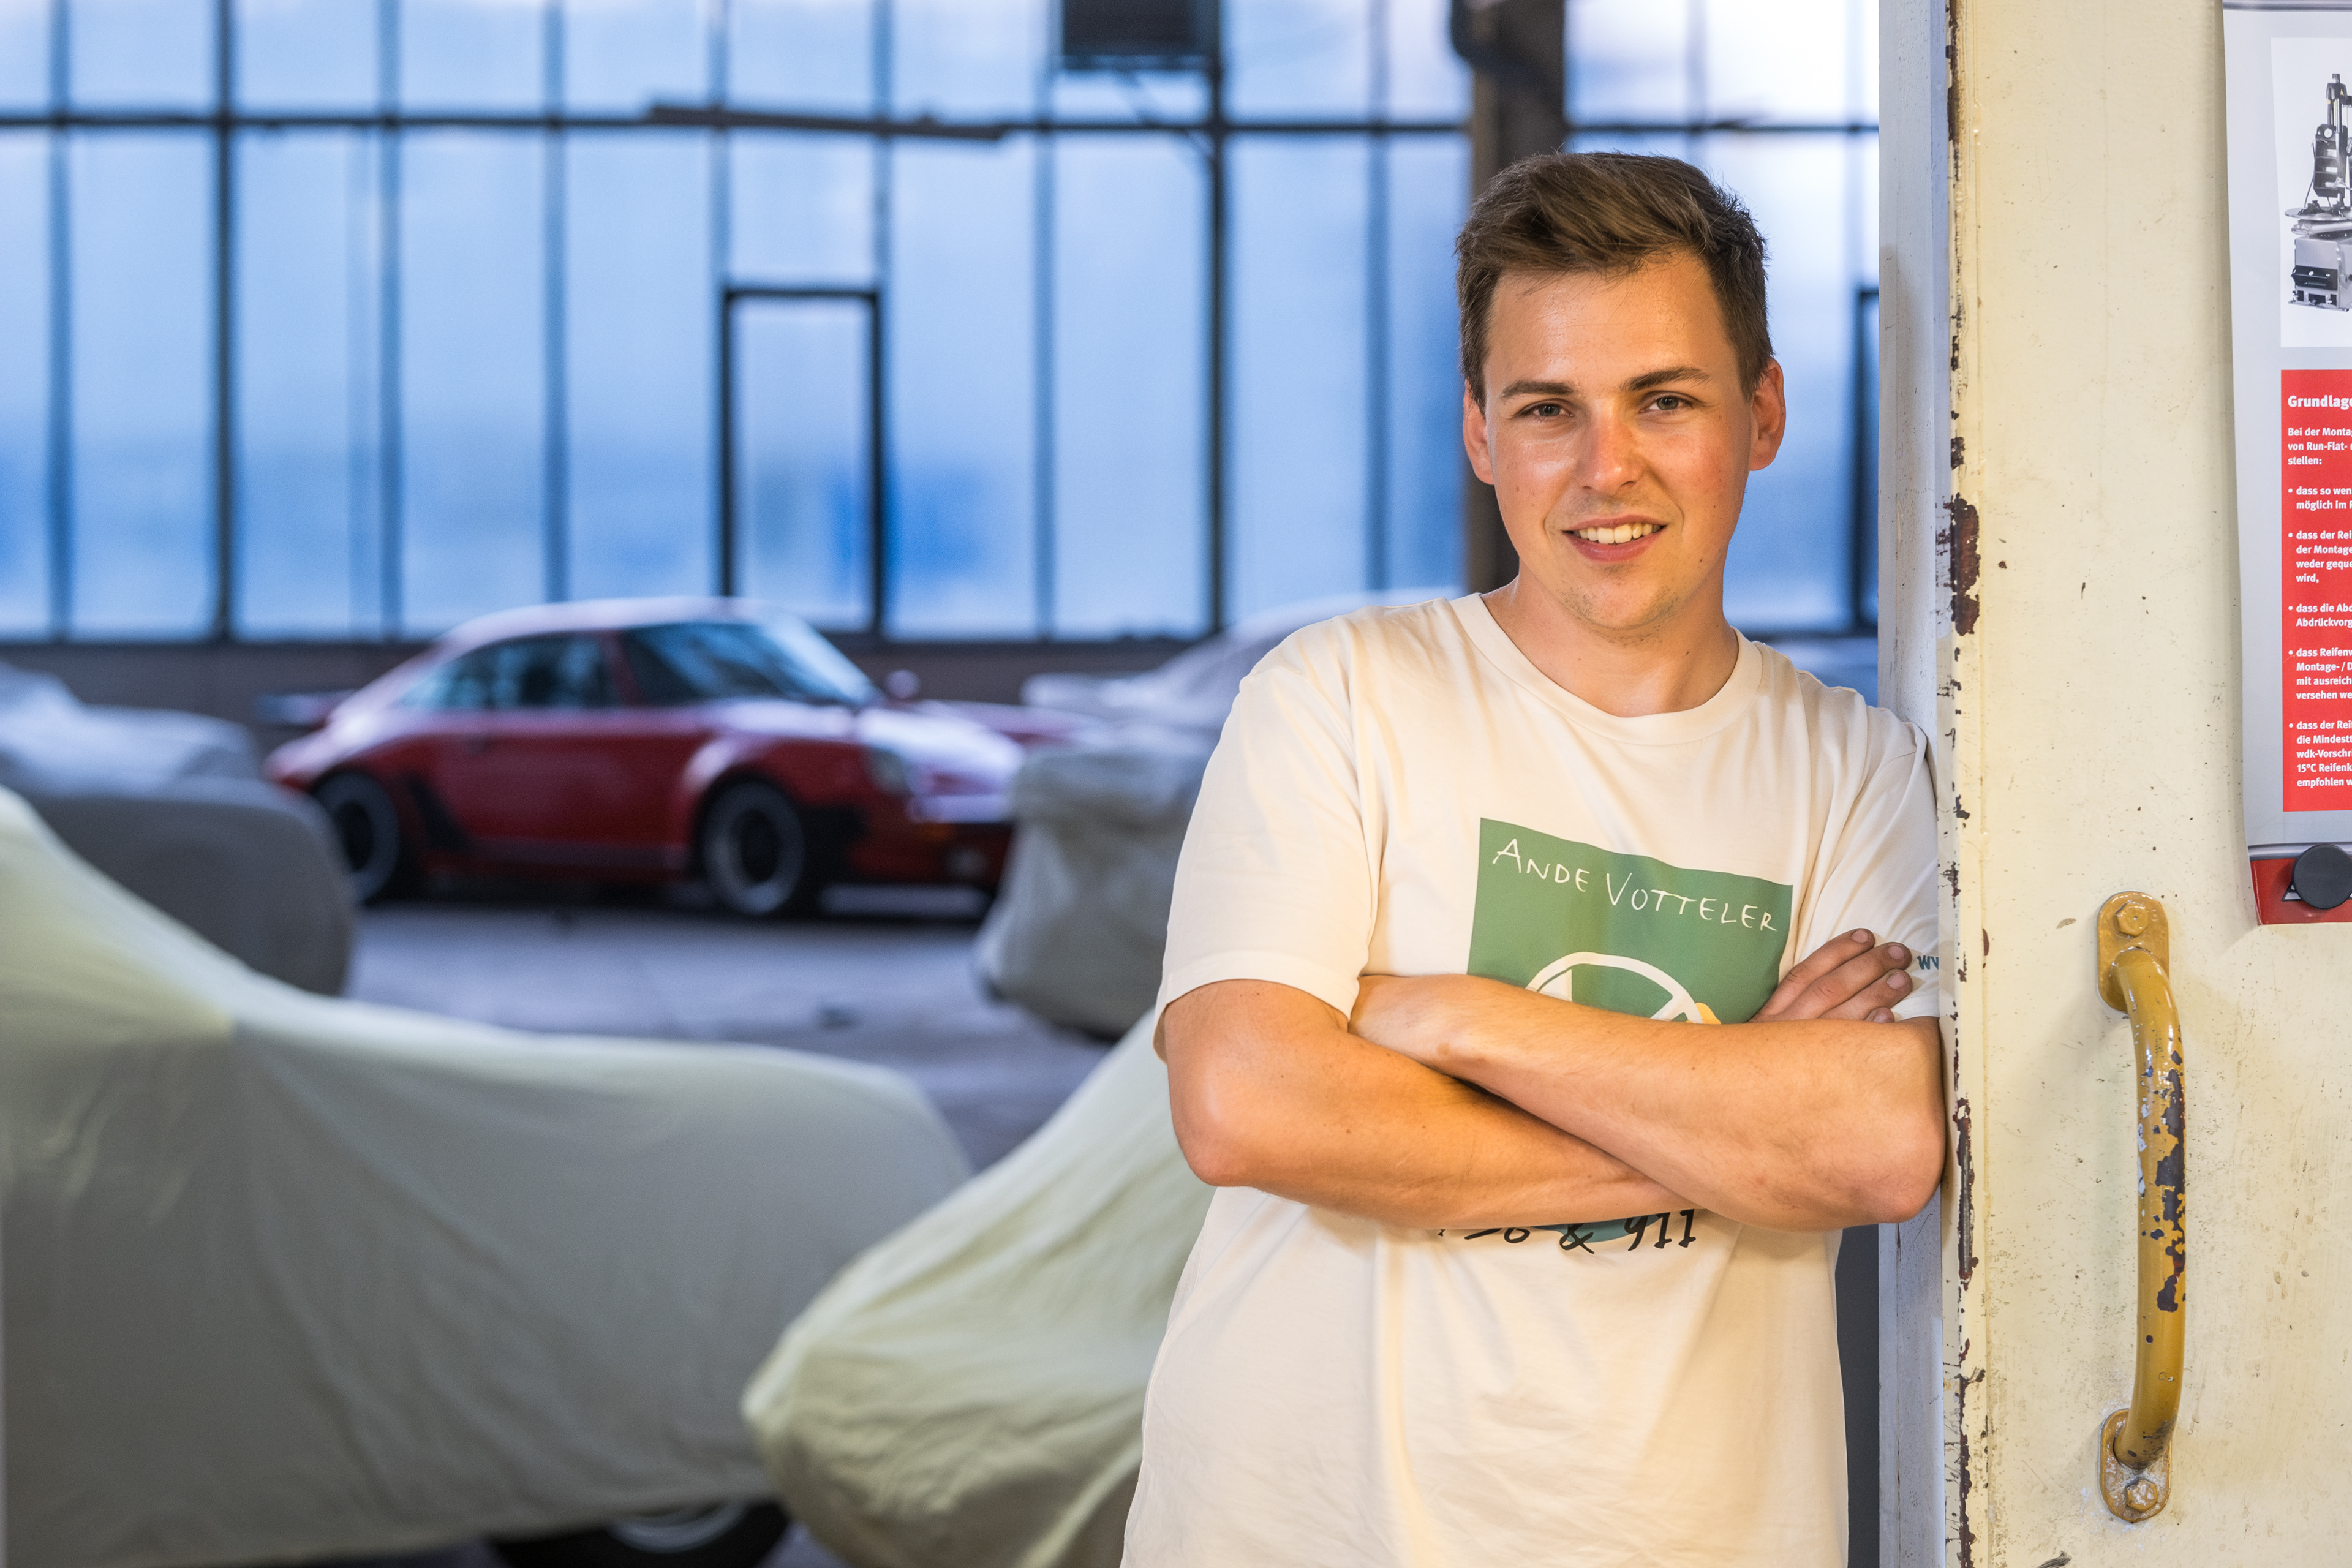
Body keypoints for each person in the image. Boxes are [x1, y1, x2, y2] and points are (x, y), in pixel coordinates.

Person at [1121, 151, 1946, 1566]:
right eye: (1548, 408)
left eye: (1664, 400)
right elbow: (1249, 1106)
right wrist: (1740, 1106)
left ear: (1763, 413)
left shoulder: (1856, 769)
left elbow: (1878, 1141)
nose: (1605, 468)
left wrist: (1455, 1020)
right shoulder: (1339, 696)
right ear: (1480, 432)